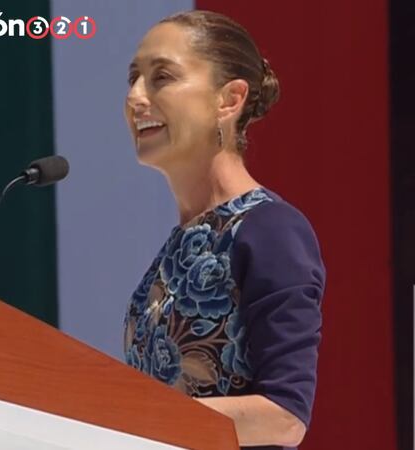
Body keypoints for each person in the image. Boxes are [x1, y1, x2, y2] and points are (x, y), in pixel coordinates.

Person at [122, 10, 325, 450]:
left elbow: (284, 417)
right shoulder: (181, 242)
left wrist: (126, 412)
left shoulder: (269, 229)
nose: (136, 96)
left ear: (229, 100)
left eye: (162, 77)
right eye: (133, 77)